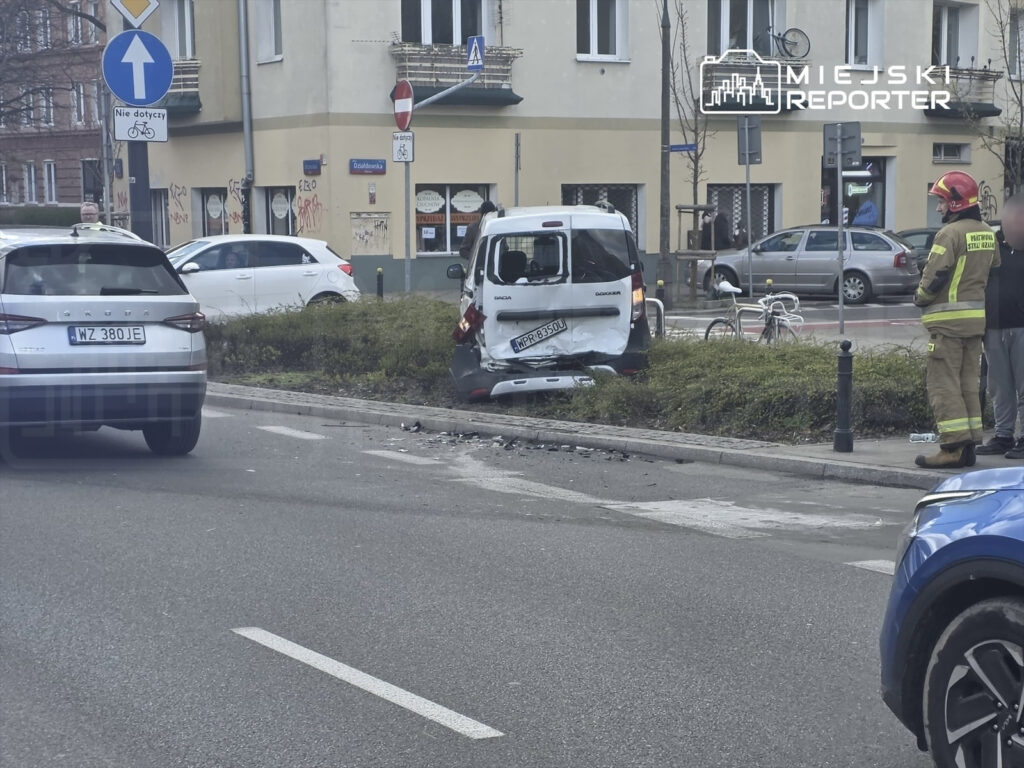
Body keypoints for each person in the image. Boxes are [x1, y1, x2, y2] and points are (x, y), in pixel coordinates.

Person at [913, 171, 1000, 469]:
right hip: (975, 324)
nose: (938, 208)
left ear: (955, 202)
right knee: (967, 383)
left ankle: (951, 448)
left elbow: (934, 276)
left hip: (946, 325)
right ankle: (969, 445)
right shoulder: (987, 232)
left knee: (942, 385)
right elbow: (993, 269)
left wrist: (920, 297)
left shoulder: (949, 234)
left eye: (941, 201)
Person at [976, 193, 1024, 459]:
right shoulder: (992, 247)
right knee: (1000, 387)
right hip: (993, 328)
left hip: (1022, 328)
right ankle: (1004, 436)